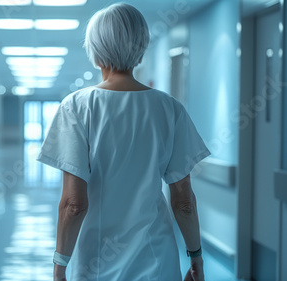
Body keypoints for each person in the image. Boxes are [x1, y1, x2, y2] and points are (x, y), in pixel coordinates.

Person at [36, 3, 210, 281]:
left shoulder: (77, 106)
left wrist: (59, 266)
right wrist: (196, 255)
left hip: (95, 265)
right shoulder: (169, 108)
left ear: (94, 47)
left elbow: (74, 204)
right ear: (141, 45)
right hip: (157, 263)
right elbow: (183, 201)